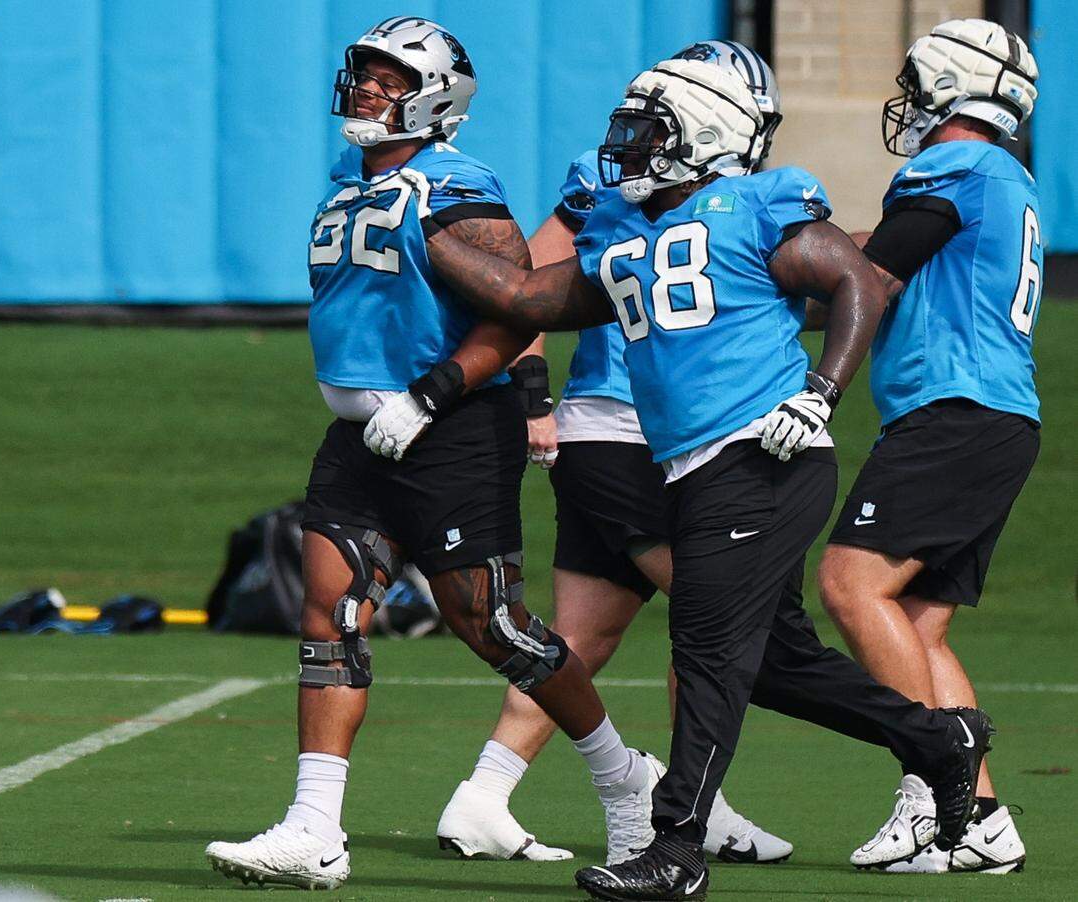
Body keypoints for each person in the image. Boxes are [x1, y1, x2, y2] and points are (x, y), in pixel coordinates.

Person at [397, 55, 995, 900]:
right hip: (690, 466)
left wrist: (822, 391)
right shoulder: (624, 230)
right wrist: (420, 226)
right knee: (774, 663)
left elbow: (855, 280)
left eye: (648, 130)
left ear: (705, 136)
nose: (626, 144)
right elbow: (528, 298)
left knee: (706, 650)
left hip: (766, 452)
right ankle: (940, 740)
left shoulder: (756, 202)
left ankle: (676, 845)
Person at [204, 17, 658, 891]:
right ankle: (315, 826)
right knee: (329, 618)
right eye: (364, 73)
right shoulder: (349, 184)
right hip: (358, 438)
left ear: (436, 99)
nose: (368, 89)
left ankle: (622, 777)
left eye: (391, 79)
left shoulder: (455, 185)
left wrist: (430, 395)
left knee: (495, 627)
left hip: (452, 430)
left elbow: (518, 309)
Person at [436, 40, 792, 868]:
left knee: (582, 638)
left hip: (630, 431)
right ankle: (700, 804)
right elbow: (533, 273)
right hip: (639, 431)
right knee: (726, 623)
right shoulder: (644, 183)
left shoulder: (716, 192)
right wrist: (533, 394)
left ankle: (483, 796)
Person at [814, 18, 1041, 875]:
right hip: (996, 416)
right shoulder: (1005, 176)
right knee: (917, 626)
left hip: (954, 409)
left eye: (918, 84)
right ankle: (979, 821)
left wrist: (774, 269)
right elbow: (885, 259)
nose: (906, 101)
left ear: (952, 86)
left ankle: (928, 785)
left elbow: (874, 275)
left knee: (850, 583)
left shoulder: (956, 164)